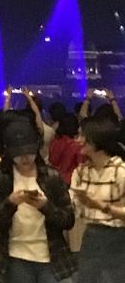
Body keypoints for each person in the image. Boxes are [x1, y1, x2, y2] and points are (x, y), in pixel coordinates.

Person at [0, 118, 76, 283]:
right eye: (19, 154)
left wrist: (45, 206)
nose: (25, 158)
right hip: (15, 255)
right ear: (9, 151)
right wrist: (11, 202)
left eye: (29, 152)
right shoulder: (0, 177)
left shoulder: (51, 176)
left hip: (51, 255)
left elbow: (68, 220)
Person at [69, 116, 125, 283]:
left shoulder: (120, 171)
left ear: (95, 141)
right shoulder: (81, 172)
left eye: (82, 136)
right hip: (91, 236)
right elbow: (74, 206)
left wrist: (101, 206)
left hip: (118, 238)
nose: (78, 140)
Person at [46, 116, 81, 185]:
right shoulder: (76, 146)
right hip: (68, 181)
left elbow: (51, 160)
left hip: (52, 178)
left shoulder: (54, 141)